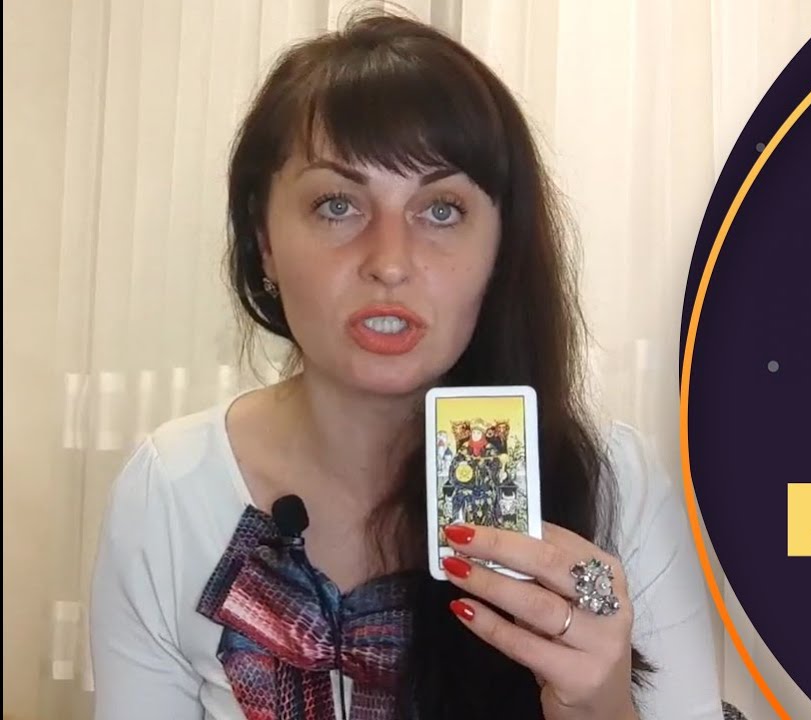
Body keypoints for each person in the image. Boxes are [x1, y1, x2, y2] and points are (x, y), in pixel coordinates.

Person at [89, 10, 722, 720]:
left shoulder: (617, 488)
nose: (389, 262)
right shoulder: (169, 494)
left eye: (441, 210)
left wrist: (602, 706)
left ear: (500, 248)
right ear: (263, 239)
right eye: (337, 205)